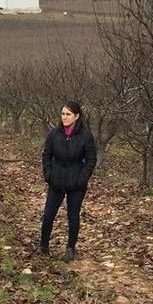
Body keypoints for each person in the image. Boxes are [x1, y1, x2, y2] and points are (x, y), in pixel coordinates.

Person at [39, 101, 97, 262]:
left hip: (76, 181)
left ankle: (70, 248)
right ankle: (43, 245)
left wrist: (82, 178)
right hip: (56, 179)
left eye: (68, 114)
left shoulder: (85, 135)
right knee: (49, 214)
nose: (64, 117)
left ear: (76, 116)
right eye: (63, 114)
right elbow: (46, 155)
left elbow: (91, 159)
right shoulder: (54, 134)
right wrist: (48, 174)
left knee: (73, 215)